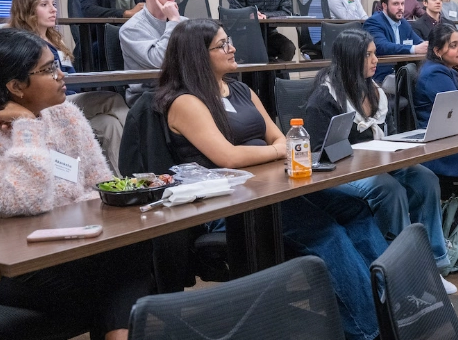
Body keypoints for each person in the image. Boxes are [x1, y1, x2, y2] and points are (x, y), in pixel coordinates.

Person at [155, 19, 386, 340]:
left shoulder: (241, 90)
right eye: (222, 45)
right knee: (327, 234)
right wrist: (274, 149)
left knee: (356, 208)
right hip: (230, 203)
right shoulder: (185, 101)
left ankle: (391, 308)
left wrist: (276, 148)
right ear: (197, 55)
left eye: (229, 40)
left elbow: (285, 139)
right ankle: (369, 331)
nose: (232, 48)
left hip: (275, 186)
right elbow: (229, 158)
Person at [0, 29, 153, 340]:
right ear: (15, 86)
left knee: (134, 246)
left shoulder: (65, 113)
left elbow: (101, 185)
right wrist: (27, 126)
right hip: (14, 264)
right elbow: (26, 200)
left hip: (75, 247)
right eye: (49, 69)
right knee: (120, 274)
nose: (61, 74)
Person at [302, 28, 456, 294]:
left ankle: (433, 264)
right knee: (389, 190)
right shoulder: (324, 99)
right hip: (339, 174)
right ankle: (404, 273)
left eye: (375, 54)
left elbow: (386, 136)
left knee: (425, 179)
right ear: (351, 59)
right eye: (369, 55)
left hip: (375, 164)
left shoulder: (373, 91)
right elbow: (317, 155)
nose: (376, 60)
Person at [1, 0, 129, 175]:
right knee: (113, 99)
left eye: (53, 4)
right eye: (44, 5)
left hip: (70, 100)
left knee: (108, 124)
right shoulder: (24, 45)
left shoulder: (55, 39)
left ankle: (121, 181)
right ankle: (139, 140)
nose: (53, 9)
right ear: (27, 10)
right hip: (50, 104)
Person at [414, 23, 458, 179]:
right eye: (453, 45)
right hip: (441, 147)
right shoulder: (434, 73)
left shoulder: (444, 69)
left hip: (452, 135)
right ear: (437, 51)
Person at [120, 0, 187, 106]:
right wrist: (173, 22)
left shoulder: (185, 22)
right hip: (149, 96)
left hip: (183, 89)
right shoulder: (131, 29)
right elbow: (159, 61)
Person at [363, 0, 428, 86]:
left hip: (402, 74)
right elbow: (381, 46)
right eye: (396, 4)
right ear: (384, 5)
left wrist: (427, 46)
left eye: (402, 4)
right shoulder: (373, 22)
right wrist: (413, 49)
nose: (401, 8)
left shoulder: (404, 23)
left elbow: (418, 42)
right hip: (381, 76)